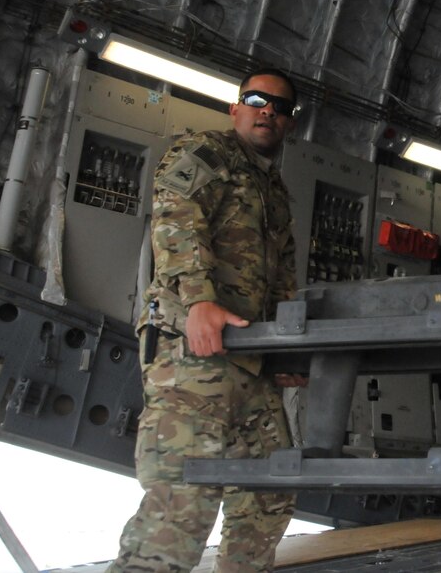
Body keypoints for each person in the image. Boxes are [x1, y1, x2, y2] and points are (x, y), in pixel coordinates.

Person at [110, 69, 303, 572]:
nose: (269, 112)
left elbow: (283, 272)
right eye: (258, 100)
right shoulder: (207, 152)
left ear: (288, 123)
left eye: (281, 108)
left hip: (251, 361)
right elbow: (176, 213)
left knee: (269, 492)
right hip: (191, 351)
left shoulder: (274, 190)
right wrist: (198, 299)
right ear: (235, 108)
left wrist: (285, 349)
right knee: (181, 504)